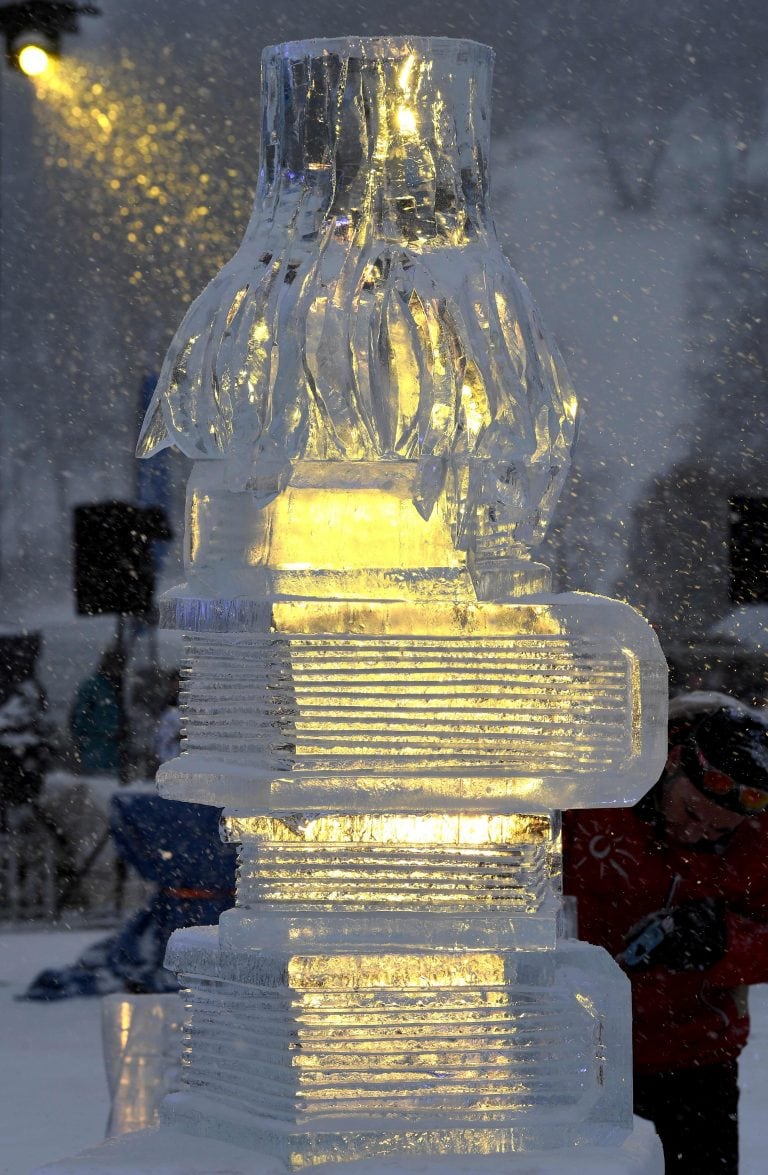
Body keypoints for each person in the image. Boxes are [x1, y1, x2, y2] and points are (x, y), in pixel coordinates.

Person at [563, 691, 768, 1175]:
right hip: (575, 1051)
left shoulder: (760, 838)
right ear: (672, 764)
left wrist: (723, 938)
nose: (698, 835)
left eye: (721, 830)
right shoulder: (596, 790)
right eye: (692, 814)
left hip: (694, 1057)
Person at [69, 646, 125, 774]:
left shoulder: (110, 687)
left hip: (107, 748)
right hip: (96, 746)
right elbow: (78, 716)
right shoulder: (96, 687)